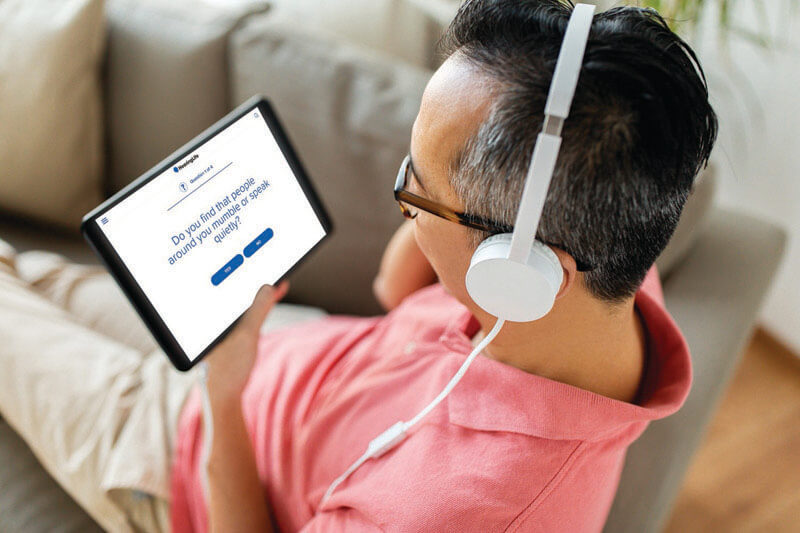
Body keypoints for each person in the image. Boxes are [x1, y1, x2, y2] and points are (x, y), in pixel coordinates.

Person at [0, 0, 716, 531]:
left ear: (518, 266)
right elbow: (391, 289)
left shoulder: (453, 512)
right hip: (267, 348)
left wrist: (223, 395)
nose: (400, 200)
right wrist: (442, 195)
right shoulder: (605, 268)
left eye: (416, 189)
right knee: (26, 272)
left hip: (178, 454)